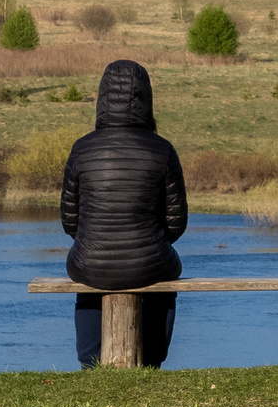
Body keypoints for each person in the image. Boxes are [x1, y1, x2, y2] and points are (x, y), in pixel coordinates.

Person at [59, 58, 189, 368]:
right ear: (147, 100)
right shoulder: (162, 150)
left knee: (89, 276)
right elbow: (177, 222)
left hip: (90, 261)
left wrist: (94, 237)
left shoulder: (82, 149)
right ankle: (152, 360)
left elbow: (69, 221)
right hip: (151, 261)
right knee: (165, 280)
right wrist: (152, 240)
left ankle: (90, 362)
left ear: (101, 99)